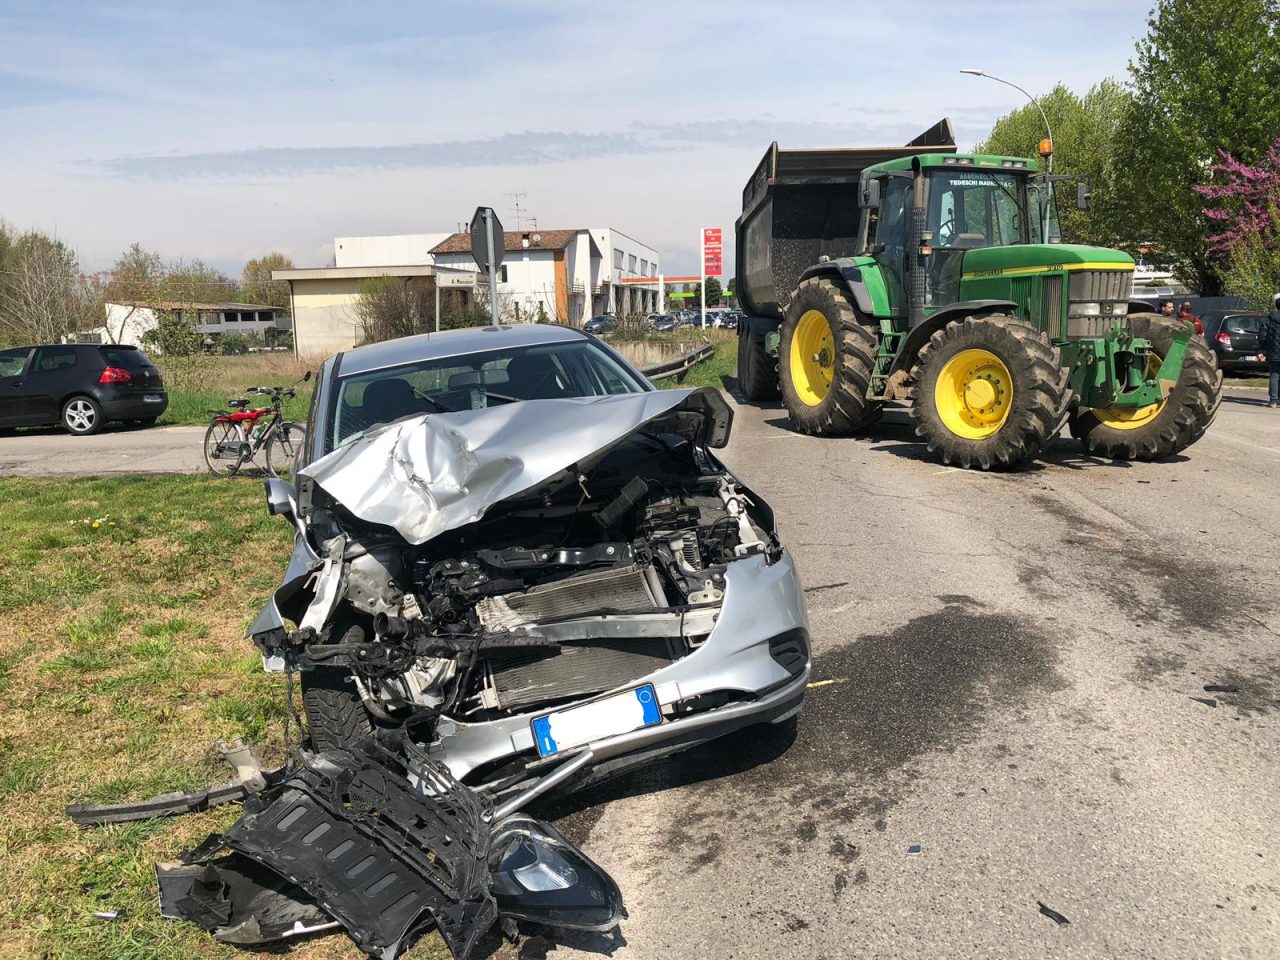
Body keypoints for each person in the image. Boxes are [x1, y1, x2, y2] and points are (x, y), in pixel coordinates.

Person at [1259, 294, 1280, 408]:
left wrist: (1261, 349)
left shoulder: (1268, 318)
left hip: (1273, 351)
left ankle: (1273, 401)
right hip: (1274, 351)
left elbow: (1263, 335)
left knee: (1274, 375)